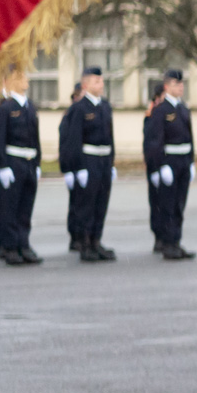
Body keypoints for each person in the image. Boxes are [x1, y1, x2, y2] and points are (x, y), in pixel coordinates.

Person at [58, 65, 116, 261]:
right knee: (87, 205)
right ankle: (84, 244)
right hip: (88, 160)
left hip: (103, 161)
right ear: (85, 84)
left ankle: (96, 241)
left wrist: (111, 163)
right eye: (96, 81)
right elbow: (74, 140)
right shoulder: (79, 108)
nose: (100, 84)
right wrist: (77, 167)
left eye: (101, 80)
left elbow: (110, 137)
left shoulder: (105, 106)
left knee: (101, 203)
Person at [141, 68, 197, 260]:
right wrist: (160, 166)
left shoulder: (183, 109)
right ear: (166, 86)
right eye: (175, 84)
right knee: (168, 205)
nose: (180, 87)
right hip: (170, 162)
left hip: (183, 161)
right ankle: (167, 243)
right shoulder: (161, 110)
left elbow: (190, 138)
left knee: (179, 204)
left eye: (181, 84)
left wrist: (191, 161)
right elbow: (155, 141)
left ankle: (176, 242)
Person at [0, 71, 43, 265]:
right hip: (12, 163)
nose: (26, 80)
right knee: (8, 208)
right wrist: (1, 166)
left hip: (28, 162)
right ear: (7, 80)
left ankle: (24, 244)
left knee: (25, 207)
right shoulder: (3, 107)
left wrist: (37, 163)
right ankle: (10, 247)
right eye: (20, 76)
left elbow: (36, 139)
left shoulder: (30, 107)